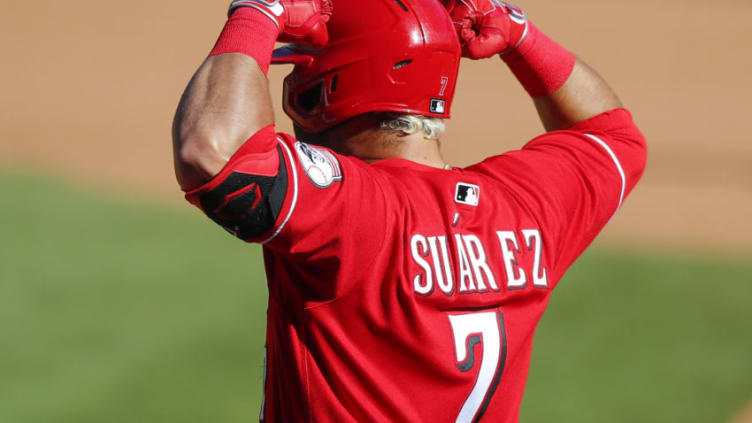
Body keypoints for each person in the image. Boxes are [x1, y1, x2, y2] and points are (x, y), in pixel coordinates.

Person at [171, 0, 647, 421]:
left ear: (325, 91)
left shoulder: (352, 210)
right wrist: (521, 35)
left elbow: (212, 151)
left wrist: (257, 14)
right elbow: (612, 136)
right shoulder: (525, 207)